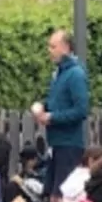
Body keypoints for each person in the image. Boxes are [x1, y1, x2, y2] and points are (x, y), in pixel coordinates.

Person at [33, 29, 90, 192]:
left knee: (62, 197)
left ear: (65, 48)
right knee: (52, 196)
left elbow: (81, 110)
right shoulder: (58, 74)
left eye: (53, 46)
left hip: (69, 144)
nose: (49, 51)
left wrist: (52, 117)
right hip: (56, 143)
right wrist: (43, 108)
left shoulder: (76, 74)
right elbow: (58, 102)